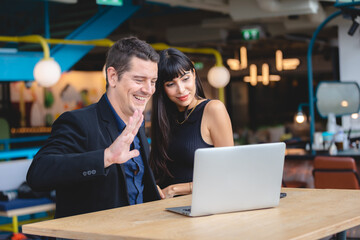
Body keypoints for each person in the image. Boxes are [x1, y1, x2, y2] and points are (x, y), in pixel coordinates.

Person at [27, 37, 165, 218]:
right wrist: (105, 157)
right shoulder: (77, 122)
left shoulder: (136, 125)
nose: (148, 90)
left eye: (153, 81)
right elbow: (38, 173)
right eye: (139, 80)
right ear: (113, 76)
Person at [150, 48, 234, 198]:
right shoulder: (164, 119)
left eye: (185, 78)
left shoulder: (213, 109)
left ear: (194, 74)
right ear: (161, 88)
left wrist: (174, 190)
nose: (181, 90)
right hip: (166, 210)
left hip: (202, 208)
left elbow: (228, 173)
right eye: (171, 84)